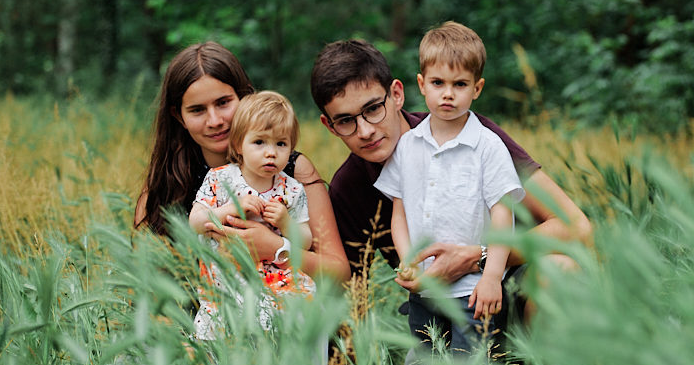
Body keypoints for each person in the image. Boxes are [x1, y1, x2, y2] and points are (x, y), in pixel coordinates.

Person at [309, 34, 591, 316]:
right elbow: (346, 294)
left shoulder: (473, 134)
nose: (365, 130)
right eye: (346, 120)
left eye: (372, 109)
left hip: (513, 284)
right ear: (329, 125)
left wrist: (478, 259)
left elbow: (576, 227)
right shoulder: (349, 188)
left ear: (396, 94)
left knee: (561, 272)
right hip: (437, 312)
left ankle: (541, 358)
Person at [134, 41, 350, 284]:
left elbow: (340, 272)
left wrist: (277, 248)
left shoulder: (290, 170)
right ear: (179, 116)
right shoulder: (168, 179)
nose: (214, 120)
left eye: (223, 102)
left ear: (244, 97)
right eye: (197, 110)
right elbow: (144, 280)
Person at [374, 22, 525, 354]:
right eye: (438, 83)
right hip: (425, 290)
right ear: (421, 84)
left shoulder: (488, 146)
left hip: (472, 291)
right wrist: (407, 259)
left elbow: (503, 217)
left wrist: (491, 277)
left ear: (477, 88)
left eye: (460, 84)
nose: (448, 93)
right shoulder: (407, 146)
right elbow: (398, 214)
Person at [189, 91, 316, 339]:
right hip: (227, 277)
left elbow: (306, 241)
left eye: (281, 144)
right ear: (238, 145)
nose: (271, 152)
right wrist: (229, 209)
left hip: (276, 281)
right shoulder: (220, 178)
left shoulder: (291, 189)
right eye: (259, 142)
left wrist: (285, 222)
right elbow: (195, 222)